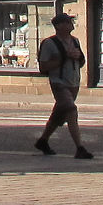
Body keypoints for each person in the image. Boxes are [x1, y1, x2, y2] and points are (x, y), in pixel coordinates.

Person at [34, 12, 92, 159]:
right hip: (59, 83)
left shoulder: (75, 41)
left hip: (73, 82)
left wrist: (78, 57)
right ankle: (80, 148)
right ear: (59, 26)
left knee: (58, 115)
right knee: (71, 110)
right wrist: (64, 57)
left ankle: (43, 140)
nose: (71, 24)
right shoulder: (49, 43)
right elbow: (43, 67)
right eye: (67, 22)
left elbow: (81, 62)